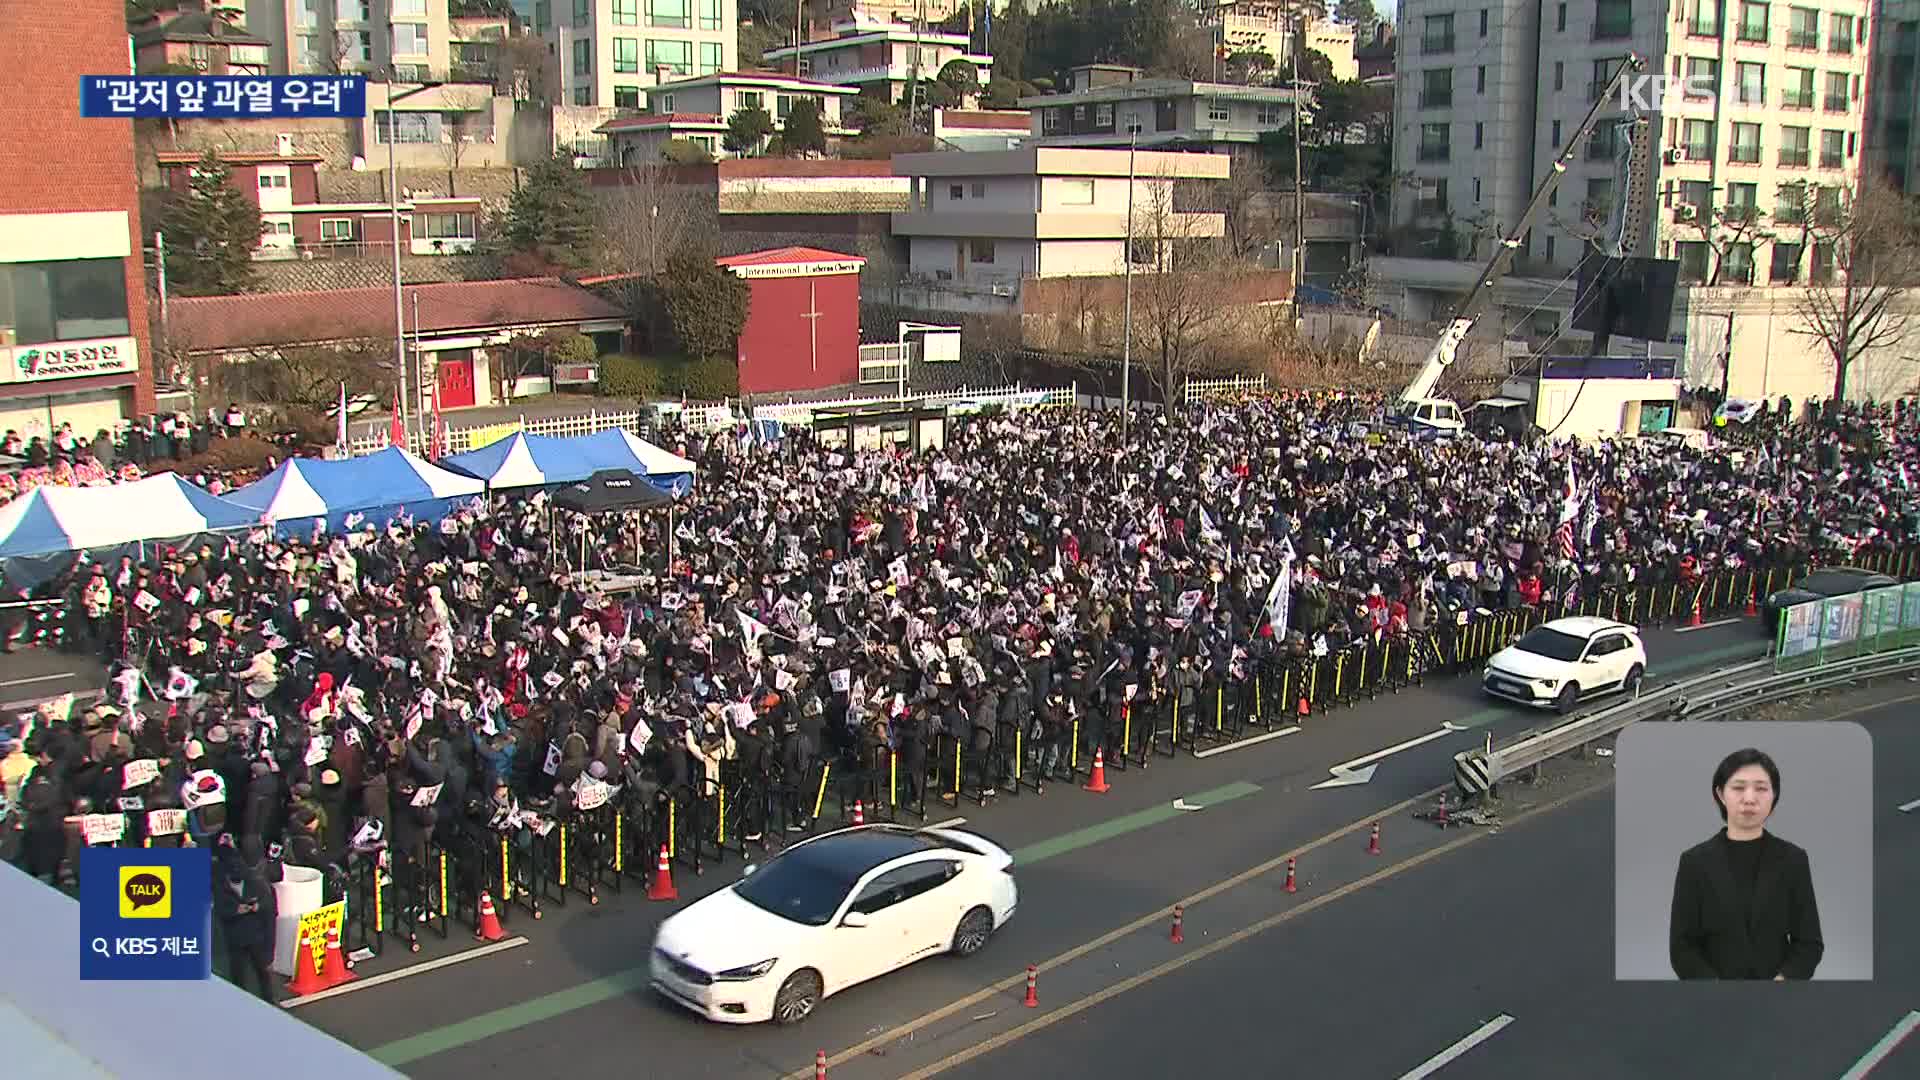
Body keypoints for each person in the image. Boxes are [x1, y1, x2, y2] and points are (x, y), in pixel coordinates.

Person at [1668, 748, 1824, 980]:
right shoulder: (1694, 862)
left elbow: (1810, 942)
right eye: (1738, 788)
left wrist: (1784, 980)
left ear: (1774, 796)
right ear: (1720, 794)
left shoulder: (1793, 859)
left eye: (1761, 789)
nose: (1749, 799)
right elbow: (1682, 948)